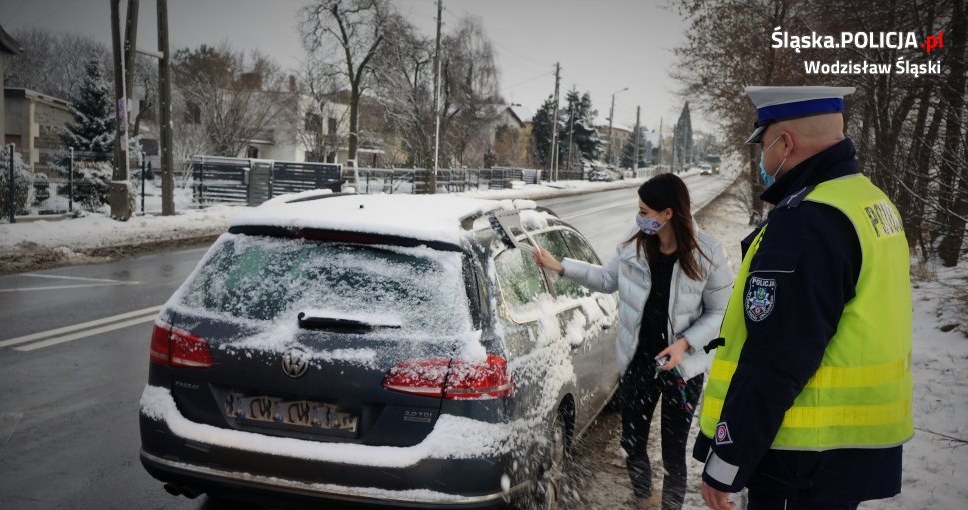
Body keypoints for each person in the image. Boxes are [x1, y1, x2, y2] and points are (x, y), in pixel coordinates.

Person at [693, 86, 913, 510]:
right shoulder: (870, 201)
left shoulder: (808, 221)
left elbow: (776, 357)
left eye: (763, 144)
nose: (762, 158)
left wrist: (727, 463)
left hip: (798, 459)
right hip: (845, 451)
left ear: (785, 142)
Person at [533, 173, 732, 510]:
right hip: (640, 359)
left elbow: (719, 311)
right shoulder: (634, 243)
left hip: (682, 367)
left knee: (673, 452)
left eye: (644, 210)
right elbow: (607, 279)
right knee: (632, 440)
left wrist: (684, 344)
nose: (638, 217)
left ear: (667, 214)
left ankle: (670, 506)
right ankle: (643, 497)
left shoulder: (707, 252)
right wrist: (561, 266)